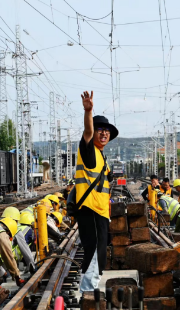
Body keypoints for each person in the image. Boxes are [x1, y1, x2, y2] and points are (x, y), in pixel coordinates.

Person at [76, 90, 117, 292]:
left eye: (107, 131)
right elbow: (87, 133)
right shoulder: (89, 150)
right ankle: (88, 291)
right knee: (93, 250)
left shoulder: (102, 157)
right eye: (100, 129)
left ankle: (91, 287)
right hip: (89, 209)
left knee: (100, 251)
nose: (103, 133)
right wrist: (88, 111)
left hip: (100, 212)